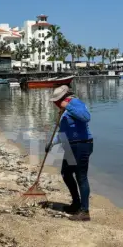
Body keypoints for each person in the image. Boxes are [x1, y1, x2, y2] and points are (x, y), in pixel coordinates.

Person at [46, 85, 93, 221]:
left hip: (82, 144)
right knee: (66, 174)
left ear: (63, 98)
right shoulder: (64, 111)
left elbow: (86, 117)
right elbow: (63, 133)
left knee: (81, 177)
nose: (55, 103)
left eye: (56, 100)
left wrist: (68, 106)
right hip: (70, 145)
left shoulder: (75, 103)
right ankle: (76, 203)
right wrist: (52, 143)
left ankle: (85, 211)